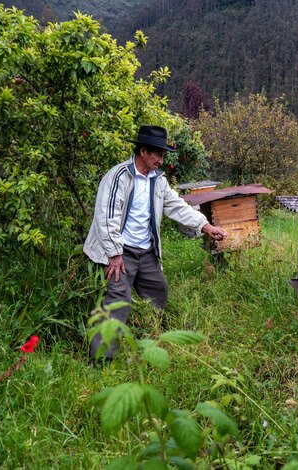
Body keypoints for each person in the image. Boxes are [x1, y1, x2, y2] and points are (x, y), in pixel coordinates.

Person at [83, 125, 227, 361]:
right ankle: (100, 359)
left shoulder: (157, 180)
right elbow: (106, 216)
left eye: (163, 155)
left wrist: (206, 226)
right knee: (118, 301)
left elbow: (176, 206)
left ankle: (151, 340)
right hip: (122, 251)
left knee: (157, 291)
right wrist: (114, 253)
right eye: (157, 154)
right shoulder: (119, 176)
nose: (161, 160)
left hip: (146, 250)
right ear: (142, 151)